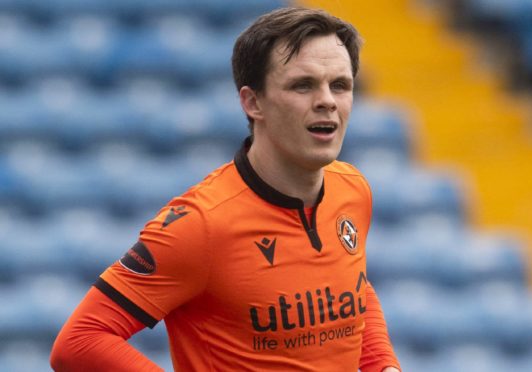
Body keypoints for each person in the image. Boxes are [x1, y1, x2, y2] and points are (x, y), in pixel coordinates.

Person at [50, 7, 401, 372]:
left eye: (340, 85)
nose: (328, 100)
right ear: (253, 102)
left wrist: (382, 364)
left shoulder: (353, 189)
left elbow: (353, 289)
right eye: (303, 85)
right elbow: (80, 341)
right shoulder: (201, 224)